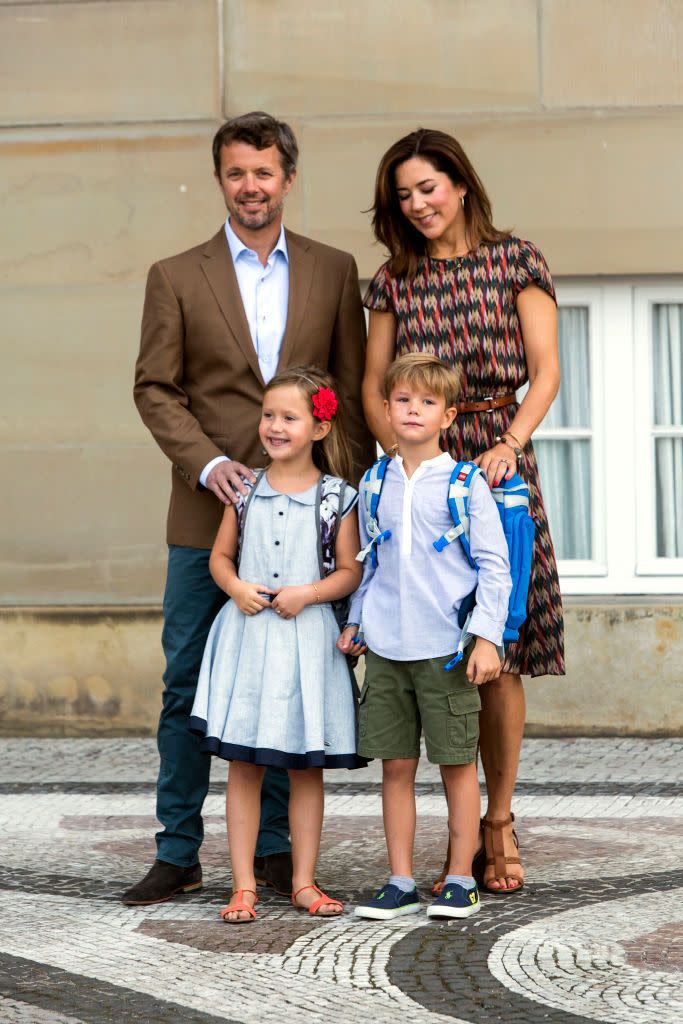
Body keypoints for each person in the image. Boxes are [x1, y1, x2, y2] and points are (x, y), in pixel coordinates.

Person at [127, 111, 374, 906]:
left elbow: (350, 394)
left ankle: (274, 855)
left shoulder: (335, 270)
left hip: (308, 519)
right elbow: (154, 388)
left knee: (290, 681)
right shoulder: (175, 274)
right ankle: (177, 850)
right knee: (185, 682)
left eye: (264, 172)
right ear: (219, 178)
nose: (251, 186)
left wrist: (349, 514)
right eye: (236, 172)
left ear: (288, 178)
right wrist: (207, 466)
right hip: (208, 521)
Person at [361, 128, 563, 896]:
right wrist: (407, 462)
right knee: (434, 644)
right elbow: (375, 386)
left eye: (427, 188)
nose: (416, 205)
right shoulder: (392, 279)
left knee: (498, 648)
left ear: (461, 184)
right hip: (420, 472)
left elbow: (544, 371)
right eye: (403, 196)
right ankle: (445, 842)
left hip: (500, 463)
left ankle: (498, 821)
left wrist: (508, 441)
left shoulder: (517, 260)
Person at [339, 353, 511, 920]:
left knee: (457, 764)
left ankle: (461, 878)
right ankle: (400, 880)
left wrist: (486, 638)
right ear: (386, 410)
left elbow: (494, 566)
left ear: (449, 415)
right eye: (403, 401)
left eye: (428, 402)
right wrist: (356, 620)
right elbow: (372, 561)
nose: (413, 410)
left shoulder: (464, 484)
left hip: (445, 652)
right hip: (387, 650)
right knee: (394, 767)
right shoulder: (373, 482)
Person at [190, 367, 363, 923]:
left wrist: (309, 593)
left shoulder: (339, 497)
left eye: (289, 417)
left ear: (318, 427)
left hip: (307, 645)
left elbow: (350, 571)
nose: (275, 425)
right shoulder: (244, 490)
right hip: (249, 640)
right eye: (268, 415)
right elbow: (221, 556)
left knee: (305, 768)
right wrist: (237, 586)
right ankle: (243, 885)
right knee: (243, 764)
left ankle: (304, 881)